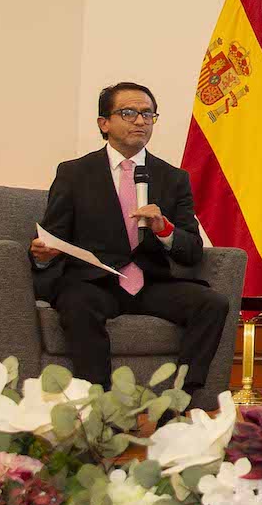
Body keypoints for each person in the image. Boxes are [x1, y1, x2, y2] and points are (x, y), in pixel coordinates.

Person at [29, 83, 229, 408]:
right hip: (94, 281)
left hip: (149, 282)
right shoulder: (74, 174)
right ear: (103, 123)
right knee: (77, 303)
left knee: (212, 303)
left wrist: (165, 230)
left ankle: (177, 402)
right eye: (129, 113)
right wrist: (43, 255)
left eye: (148, 114)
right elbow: (51, 237)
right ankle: (99, 406)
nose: (140, 121)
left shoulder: (173, 177)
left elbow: (192, 251)